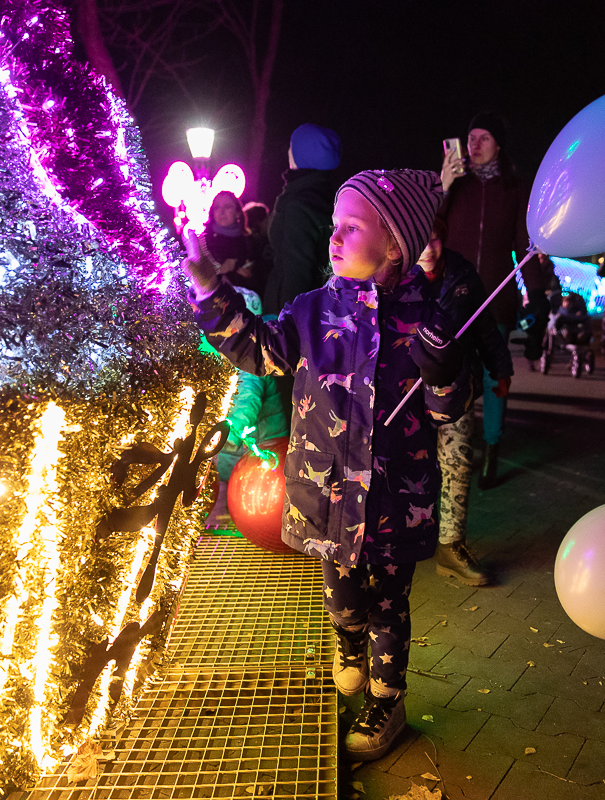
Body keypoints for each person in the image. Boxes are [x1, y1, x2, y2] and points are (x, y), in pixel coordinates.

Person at [183, 169, 472, 762]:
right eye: (334, 226)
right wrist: (212, 289)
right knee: (341, 598)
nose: (334, 238)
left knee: (390, 605)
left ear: (394, 244)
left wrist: (444, 371)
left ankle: (388, 699)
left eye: (352, 227)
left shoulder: (428, 319)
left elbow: (447, 410)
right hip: (327, 495)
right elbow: (257, 349)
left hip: (397, 500)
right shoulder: (313, 311)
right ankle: (347, 644)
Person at [438, 112, 548, 489]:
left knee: (494, 376)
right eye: (471, 137)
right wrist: (444, 185)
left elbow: (525, 244)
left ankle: (492, 446)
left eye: (484, 138)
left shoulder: (514, 188)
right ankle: (455, 447)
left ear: (498, 144)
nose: (475, 144)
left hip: (496, 300)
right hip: (452, 298)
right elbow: (430, 229)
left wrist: (535, 296)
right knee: (452, 375)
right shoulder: (457, 185)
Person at [417, 219, 512, 586]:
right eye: (420, 239)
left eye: (435, 238)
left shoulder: (461, 274)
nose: (428, 247)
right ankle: (398, 546)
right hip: (411, 395)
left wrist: (499, 369)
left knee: (457, 464)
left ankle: (451, 546)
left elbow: (484, 326)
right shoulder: (394, 275)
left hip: (458, 389)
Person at [205, 287, 290, 529]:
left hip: (259, 449)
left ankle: (229, 521)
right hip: (242, 450)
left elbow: (247, 401)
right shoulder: (234, 361)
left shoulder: (251, 366)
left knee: (242, 496)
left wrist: (226, 438)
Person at [262, 123, 341, 313]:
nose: (288, 151)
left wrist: (287, 326)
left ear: (302, 154)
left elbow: (297, 271)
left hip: (289, 312)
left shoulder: (299, 204)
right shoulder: (326, 197)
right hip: (321, 305)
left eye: (292, 146)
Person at [198, 191, 264, 295]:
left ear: (238, 212)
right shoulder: (204, 242)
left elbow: (261, 281)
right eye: (217, 207)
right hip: (214, 304)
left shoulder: (249, 243)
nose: (222, 212)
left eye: (227, 207)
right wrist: (220, 271)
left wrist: (250, 276)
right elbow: (198, 280)